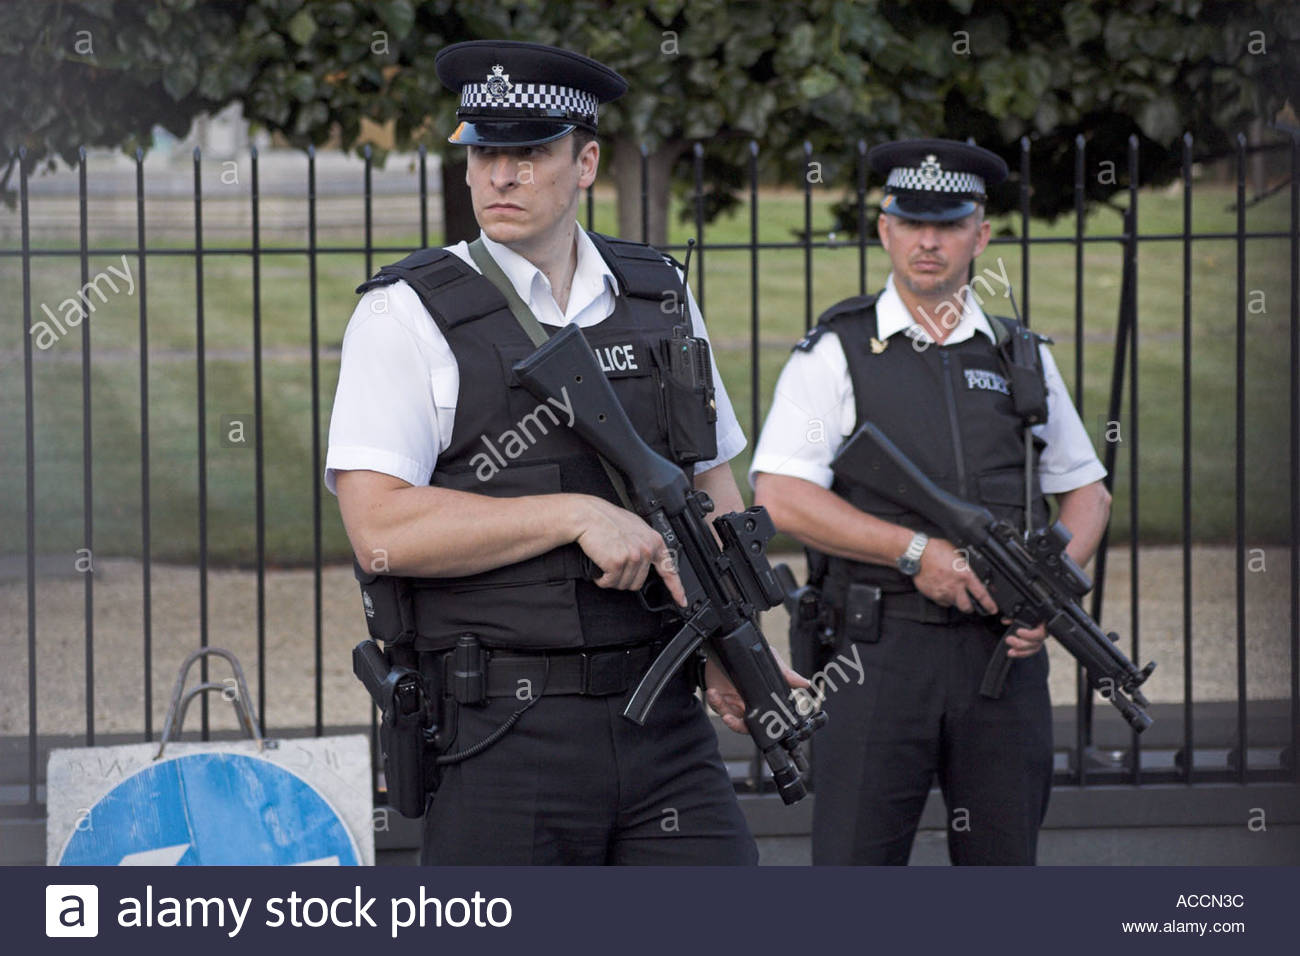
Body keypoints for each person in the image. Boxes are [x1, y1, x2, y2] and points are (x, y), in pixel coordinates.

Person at [325, 40, 760, 865]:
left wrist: (735, 650)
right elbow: (377, 528)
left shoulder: (660, 295)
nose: (501, 175)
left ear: (586, 161)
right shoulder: (405, 316)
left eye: (529, 152)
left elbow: (712, 486)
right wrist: (574, 515)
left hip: (665, 723)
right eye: (485, 152)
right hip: (504, 737)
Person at [751, 139, 1111, 866]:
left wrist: (1048, 590)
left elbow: (1086, 491)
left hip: (1001, 663)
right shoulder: (836, 351)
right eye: (911, 221)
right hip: (877, 654)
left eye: (948, 224)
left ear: (981, 234)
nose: (928, 241)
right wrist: (915, 553)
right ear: (884, 228)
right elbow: (781, 496)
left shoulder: (1021, 355)